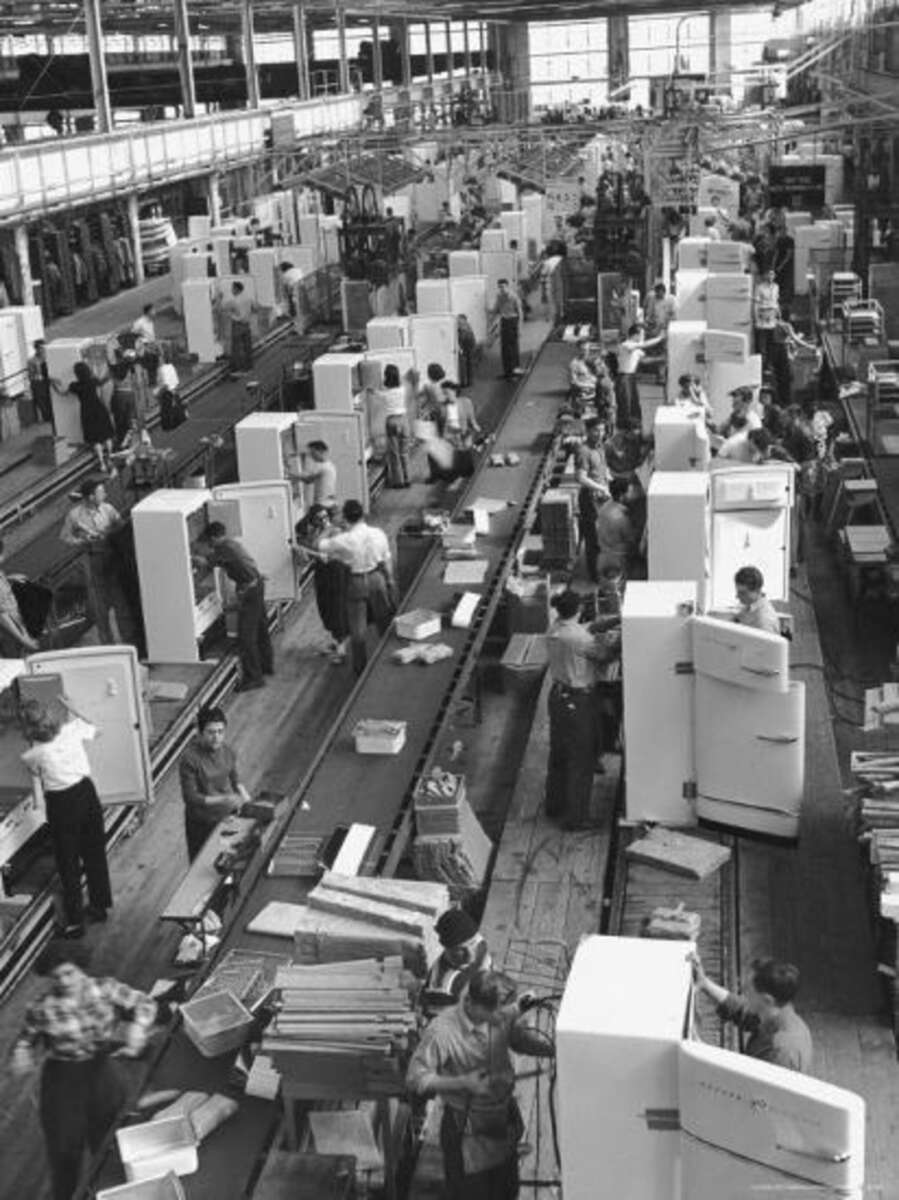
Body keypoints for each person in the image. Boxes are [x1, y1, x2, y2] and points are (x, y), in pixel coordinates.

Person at [10, 940, 157, 1200]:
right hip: (62, 1077)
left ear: (80, 967)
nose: (65, 981)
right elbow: (26, 1038)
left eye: (69, 973)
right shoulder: (41, 1007)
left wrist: (137, 1026)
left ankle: (112, 1192)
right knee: (64, 1148)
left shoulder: (106, 988)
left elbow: (145, 1003)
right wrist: (21, 1053)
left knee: (109, 1139)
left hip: (102, 1069)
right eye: (57, 977)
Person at [406, 970, 553, 1200]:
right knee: (471, 1194)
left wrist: (554, 1048)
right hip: (466, 1129)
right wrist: (461, 1082)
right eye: (498, 1013)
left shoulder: (498, 1014)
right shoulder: (443, 1031)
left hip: (502, 1119)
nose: (504, 1017)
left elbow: (517, 1039)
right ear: (474, 1005)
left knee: (505, 1191)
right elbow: (415, 1078)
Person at [20, 699, 113, 938]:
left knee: (68, 863)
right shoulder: (72, 730)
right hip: (86, 793)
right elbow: (98, 728)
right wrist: (74, 707)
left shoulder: (32, 755)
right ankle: (100, 906)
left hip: (61, 805)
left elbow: (36, 779)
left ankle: (75, 923)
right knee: (94, 852)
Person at [691, 953, 812, 1073]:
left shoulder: (780, 1053)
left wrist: (700, 1050)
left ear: (767, 1000)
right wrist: (705, 983)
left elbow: (744, 1085)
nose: (742, 991)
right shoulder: (777, 1012)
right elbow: (742, 1010)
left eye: (747, 989)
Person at [545, 590, 604, 828]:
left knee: (559, 754)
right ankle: (576, 819)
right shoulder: (580, 640)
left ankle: (554, 805)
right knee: (581, 759)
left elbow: (584, 629)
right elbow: (604, 654)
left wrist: (613, 620)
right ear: (579, 609)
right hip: (578, 703)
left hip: (558, 698)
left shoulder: (555, 628)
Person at [318, 499, 396, 676]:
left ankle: (360, 669)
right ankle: (388, 660)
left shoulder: (345, 539)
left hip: (356, 582)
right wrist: (390, 581)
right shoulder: (378, 533)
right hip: (377, 579)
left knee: (357, 630)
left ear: (345, 518)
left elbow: (320, 544)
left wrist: (329, 528)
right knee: (384, 621)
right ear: (362, 514)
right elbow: (386, 559)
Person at [197, 522, 273, 691]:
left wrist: (191, 557)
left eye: (210, 541)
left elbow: (205, 562)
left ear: (215, 537)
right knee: (261, 629)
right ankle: (266, 665)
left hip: (249, 592)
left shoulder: (225, 549)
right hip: (257, 585)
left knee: (246, 637)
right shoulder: (233, 544)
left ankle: (254, 677)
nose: (210, 545)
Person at [60, 478, 130, 644]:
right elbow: (65, 537)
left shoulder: (108, 509)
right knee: (100, 607)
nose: (105, 494)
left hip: (112, 558)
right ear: (91, 496)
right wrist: (83, 541)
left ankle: (129, 641)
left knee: (121, 602)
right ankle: (108, 644)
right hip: (93, 560)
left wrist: (109, 533)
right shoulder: (75, 515)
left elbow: (121, 527)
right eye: (101, 492)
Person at [179, 705, 251, 861]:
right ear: (200, 733)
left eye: (220, 732)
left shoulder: (227, 751)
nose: (216, 737)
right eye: (211, 732)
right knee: (202, 863)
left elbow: (234, 777)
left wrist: (246, 798)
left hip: (227, 817)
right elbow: (191, 797)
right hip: (202, 823)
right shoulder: (189, 759)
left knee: (227, 858)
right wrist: (224, 799)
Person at [295, 506, 349, 664]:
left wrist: (304, 549)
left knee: (336, 608)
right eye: (319, 518)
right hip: (322, 574)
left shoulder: (335, 531)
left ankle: (341, 650)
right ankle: (336, 641)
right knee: (325, 607)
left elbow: (325, 556)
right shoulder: (316, 532)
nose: (324, 521)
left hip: (336, 573)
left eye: (325, 517)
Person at [421, 908, 494, 1018]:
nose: (470, 955)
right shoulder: (441, 989)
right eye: (460, 949)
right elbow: (443, 1027)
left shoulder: (478, 942)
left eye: (472, 943)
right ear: (448, 948)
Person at [59, 361, 114, 472]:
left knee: (96, 439)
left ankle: (102, 463)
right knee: (106, 435)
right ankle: (111, 458)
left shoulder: (75, 385)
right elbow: (102, 380)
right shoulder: (93, 381)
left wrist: (54, 383)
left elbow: (62, 393)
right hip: (99, 408)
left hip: (87, 411)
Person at [576, 418, 611, 583]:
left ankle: (602, 569)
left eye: (602, 430)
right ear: (588, 431)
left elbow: (602, 467)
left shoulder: (599, 447)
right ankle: (595, 576)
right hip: (591, 500)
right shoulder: (584, 451)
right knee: (594, 539)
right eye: (596, 430)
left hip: (602, 497)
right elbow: (581, 478)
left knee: (603, 536)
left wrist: (607, 477)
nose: (600, 433)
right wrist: (600, 487)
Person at [615, 324, 663, 432]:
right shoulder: (625, 345)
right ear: (635, 335)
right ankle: (624, 429)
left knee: (633, 403)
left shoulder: (636, 348)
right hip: (624, 377)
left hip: (631, 377)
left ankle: (634, 427)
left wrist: (661, 359)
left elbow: (644, 360)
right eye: (642, 334)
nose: (643, 337)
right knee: (625, 403)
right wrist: (659, 338)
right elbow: (644, 345)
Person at [380, 363, 412, 488]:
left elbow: (374, 393)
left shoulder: (384, 393)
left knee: (394, 454)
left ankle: (399, 482)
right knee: (404, 452)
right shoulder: (402, 389)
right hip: (404, 420)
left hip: (391, 421)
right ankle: (408, 478)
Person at [490, 278, 523, 380]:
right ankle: (507, 372)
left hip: (513, 321)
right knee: (504, 349)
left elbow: (520, 313)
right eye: (500, 287)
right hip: (504, 322)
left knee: (513, 349)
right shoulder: (499, 297)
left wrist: (519, 328)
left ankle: (515, 372)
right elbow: (496, 310)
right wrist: (488, 311)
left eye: (503, 287)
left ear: (507, 286)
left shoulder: (513, 297)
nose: (501, 289)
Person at [733, 565, 782, 635]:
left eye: (743, 593)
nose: (737, 596)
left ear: (757, 591)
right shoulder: (749, 607)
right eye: (738, 591)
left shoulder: (764, 621)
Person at [221, 280, 254, 374]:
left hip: (237, 325)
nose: (231, 290)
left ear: (236, 289)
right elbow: (255, 308)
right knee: (247, 347)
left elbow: (222, 308)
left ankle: (237, 369)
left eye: (232, 288)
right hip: (247, 324)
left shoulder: (234, 301)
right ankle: (249, 367)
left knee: (236, 348)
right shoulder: (249, 298)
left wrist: (220, 297)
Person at [292, 440, 338, 508]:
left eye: (313, 453)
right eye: (310, 454)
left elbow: (308, 479)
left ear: (321, 451)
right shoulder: (331, 465)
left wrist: (290, 474)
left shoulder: (322, 466)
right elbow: (309, 479)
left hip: (323, 504)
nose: (311, 456)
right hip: (329, 503)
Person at [28, 338, 56, 429]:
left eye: (44, 347)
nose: (43, 349)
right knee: (43, 402)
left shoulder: (49, 356)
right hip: (39, 383)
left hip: (49, 381)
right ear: (36, 349)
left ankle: (53, 416)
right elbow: (31, 375)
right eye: (41, 348)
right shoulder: (32, 360)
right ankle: (48, 418)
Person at [754, 269, 780, 364]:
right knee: (762, 344)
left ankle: (770, 363)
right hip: (762, 316)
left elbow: (776, 302)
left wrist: (779, 315)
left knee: (772, 343)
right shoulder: (759, 287)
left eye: (772, 274)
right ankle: (762, 364)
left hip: (772, 317)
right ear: (765, 275)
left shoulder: (776, 287)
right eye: (769, 274)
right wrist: (756, 318)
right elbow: (756, 304)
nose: (770, 276)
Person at [569, 341, 597, 410]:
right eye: (583, 349)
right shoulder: (574, 364)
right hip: (583, 396)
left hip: (596, 395)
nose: (586, 352)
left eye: (587, 349)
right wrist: (590, 385)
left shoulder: (594, 362)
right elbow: (573, 382)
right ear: (578, 350)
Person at [457, 314, 477, 388]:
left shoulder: (463, 329)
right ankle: (468, 381)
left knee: (465, 363)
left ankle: (465, 382)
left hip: (467, 345)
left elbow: (463, 339)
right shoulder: (468, 327)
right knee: (468, 363)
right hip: (468, 345)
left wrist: (460, 348)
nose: (460, 323)